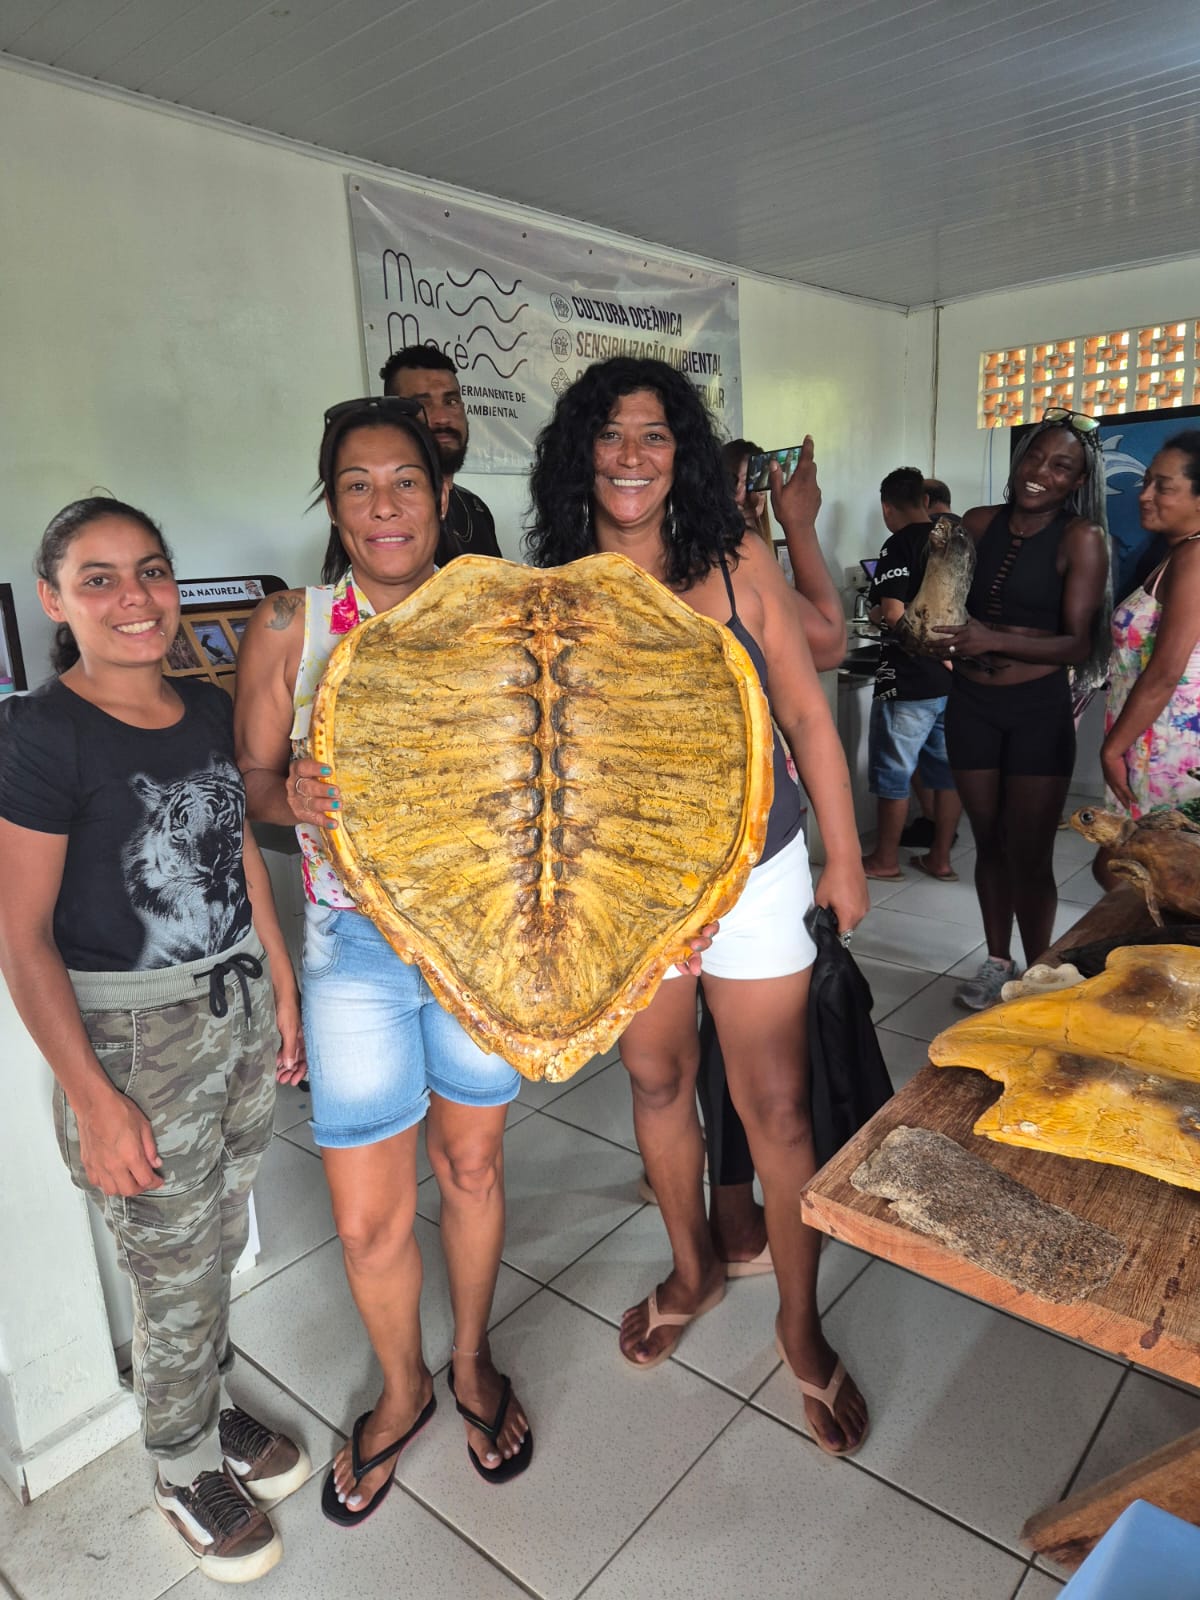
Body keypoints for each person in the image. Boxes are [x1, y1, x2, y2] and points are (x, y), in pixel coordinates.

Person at [527, 358, 870, 1456]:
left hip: (759, 870)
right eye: (612, 435)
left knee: (776, 1110)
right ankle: (693, 1269)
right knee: (659, 1079)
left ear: (684, 456)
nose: (632, 457)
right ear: (583, 450)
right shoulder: (555, 586)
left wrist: (844, 856)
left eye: (656, 436)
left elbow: (810, 720)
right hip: (630, 890)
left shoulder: (734, 566)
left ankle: (800, 1322)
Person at [0, 498, 309, 1585]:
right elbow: (21, 937)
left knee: (216, 1234)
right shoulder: (42, 732)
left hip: (235, 1006)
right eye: (99, 579)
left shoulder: (202, 707)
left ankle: (205, 1403)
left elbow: (236, 860)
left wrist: (281, 980)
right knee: (170, 1261)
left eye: (150, 572)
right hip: (134, 1037)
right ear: (55, 600)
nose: (133, 598)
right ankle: (180, 1463)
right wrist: (92, 1096)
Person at [939, 410, 1109, 1009]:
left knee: (1030, 851)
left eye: (1061, 466)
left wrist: (991, 640)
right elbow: (945, 599)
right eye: (1035, 458)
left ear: (1077, 481)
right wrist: (936, 635)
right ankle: (995, 960)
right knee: (987, 843)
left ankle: (1039, 973)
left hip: (1037, 708)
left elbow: (1077, 643)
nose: (1041, 473)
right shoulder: (979, 522)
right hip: (972, 703)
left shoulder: (1081, 537)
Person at [861, 468, 961, 883]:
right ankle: (940, 859)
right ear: (925, 500)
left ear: (887, 507)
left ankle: (885, 860)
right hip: (951, 678)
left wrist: (885, 622)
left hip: (909, 678)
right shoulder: (952, 543)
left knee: (894, 772)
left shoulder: (898, 543)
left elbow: (893, 612)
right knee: (945, 771)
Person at [1100, 430, 1200, 824]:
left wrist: (1112, 749)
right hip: (1146, 733)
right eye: (1147, 482)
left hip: (1166, 745)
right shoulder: (1176, 555)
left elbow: (1165, 672)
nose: (1144, 495)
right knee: (1131, 867)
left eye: (1164, 487)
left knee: (1145, 868)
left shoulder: (1194, 558)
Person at [380, 346, 504, 563]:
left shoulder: (477, 508)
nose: (442, 419)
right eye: (422, 405)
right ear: (392, 419)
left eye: (451, 402)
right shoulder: (383, 514)